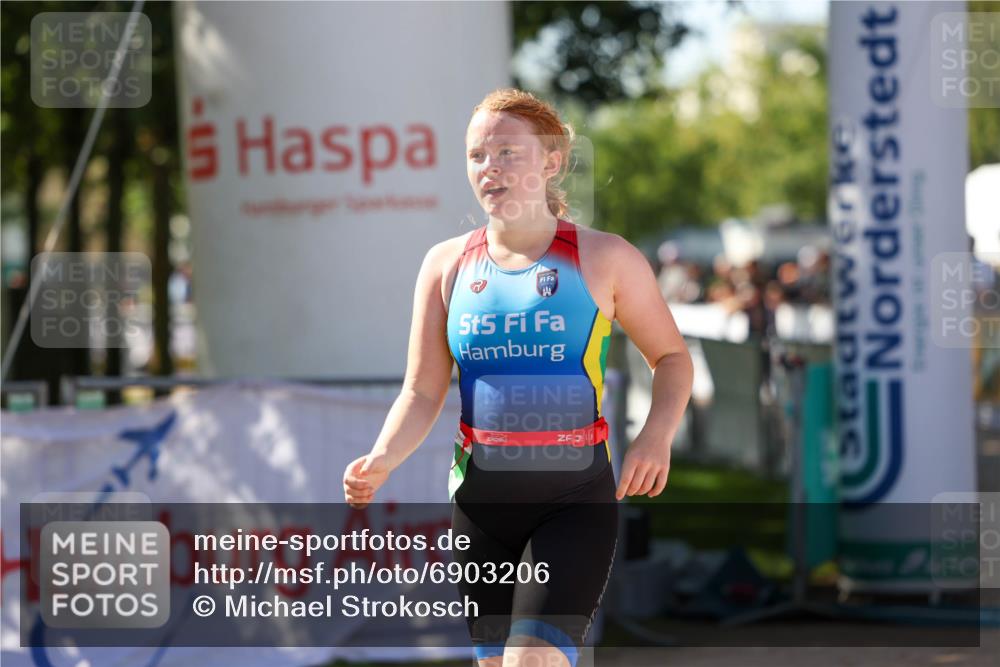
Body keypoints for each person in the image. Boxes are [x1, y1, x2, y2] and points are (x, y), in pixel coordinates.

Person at [342, 88, 692, 667]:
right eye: (477, 155)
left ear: (551, 161)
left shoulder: (605, 258)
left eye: (507, 152)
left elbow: (673, 359)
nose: (490, 168)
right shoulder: (446, 264)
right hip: (481, 505)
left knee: (532, 663)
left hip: (575, 499)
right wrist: (382, 456)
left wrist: (656, 437)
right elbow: (422, 390)